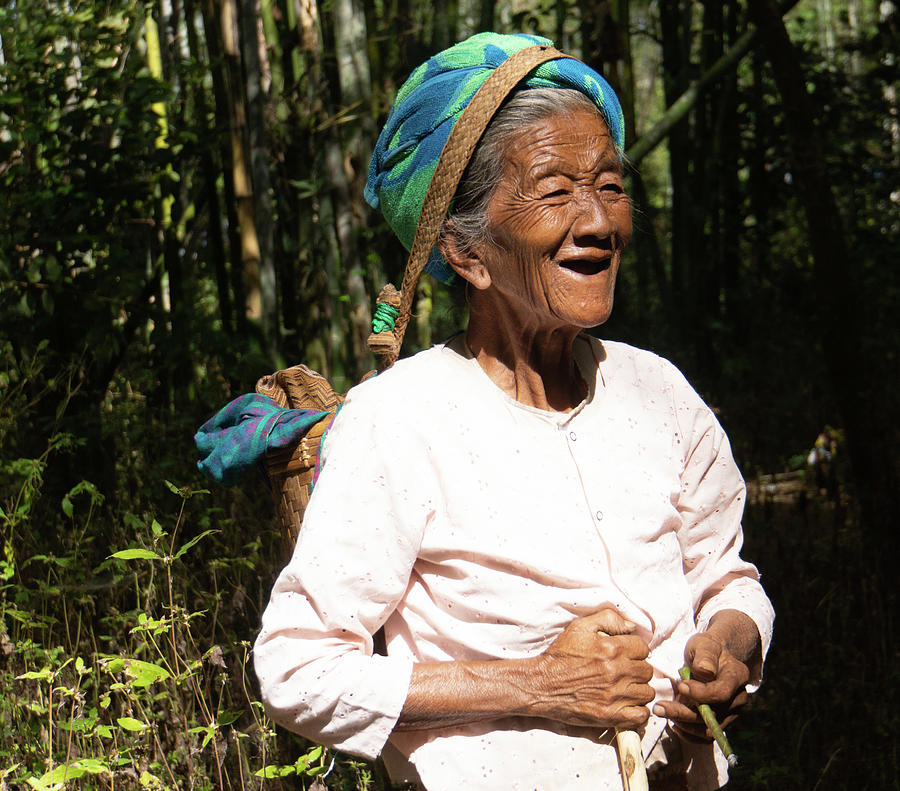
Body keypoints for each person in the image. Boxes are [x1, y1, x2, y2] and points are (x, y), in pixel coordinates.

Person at [253, 32, 774, 791]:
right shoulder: (399, 420)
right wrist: (541, 682)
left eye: (609, 185)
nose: (598, 221)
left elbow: (728, 578)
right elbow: (297, 670)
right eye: (555, 190)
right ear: (468, 255)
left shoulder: (662, 396)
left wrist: (732, 645)